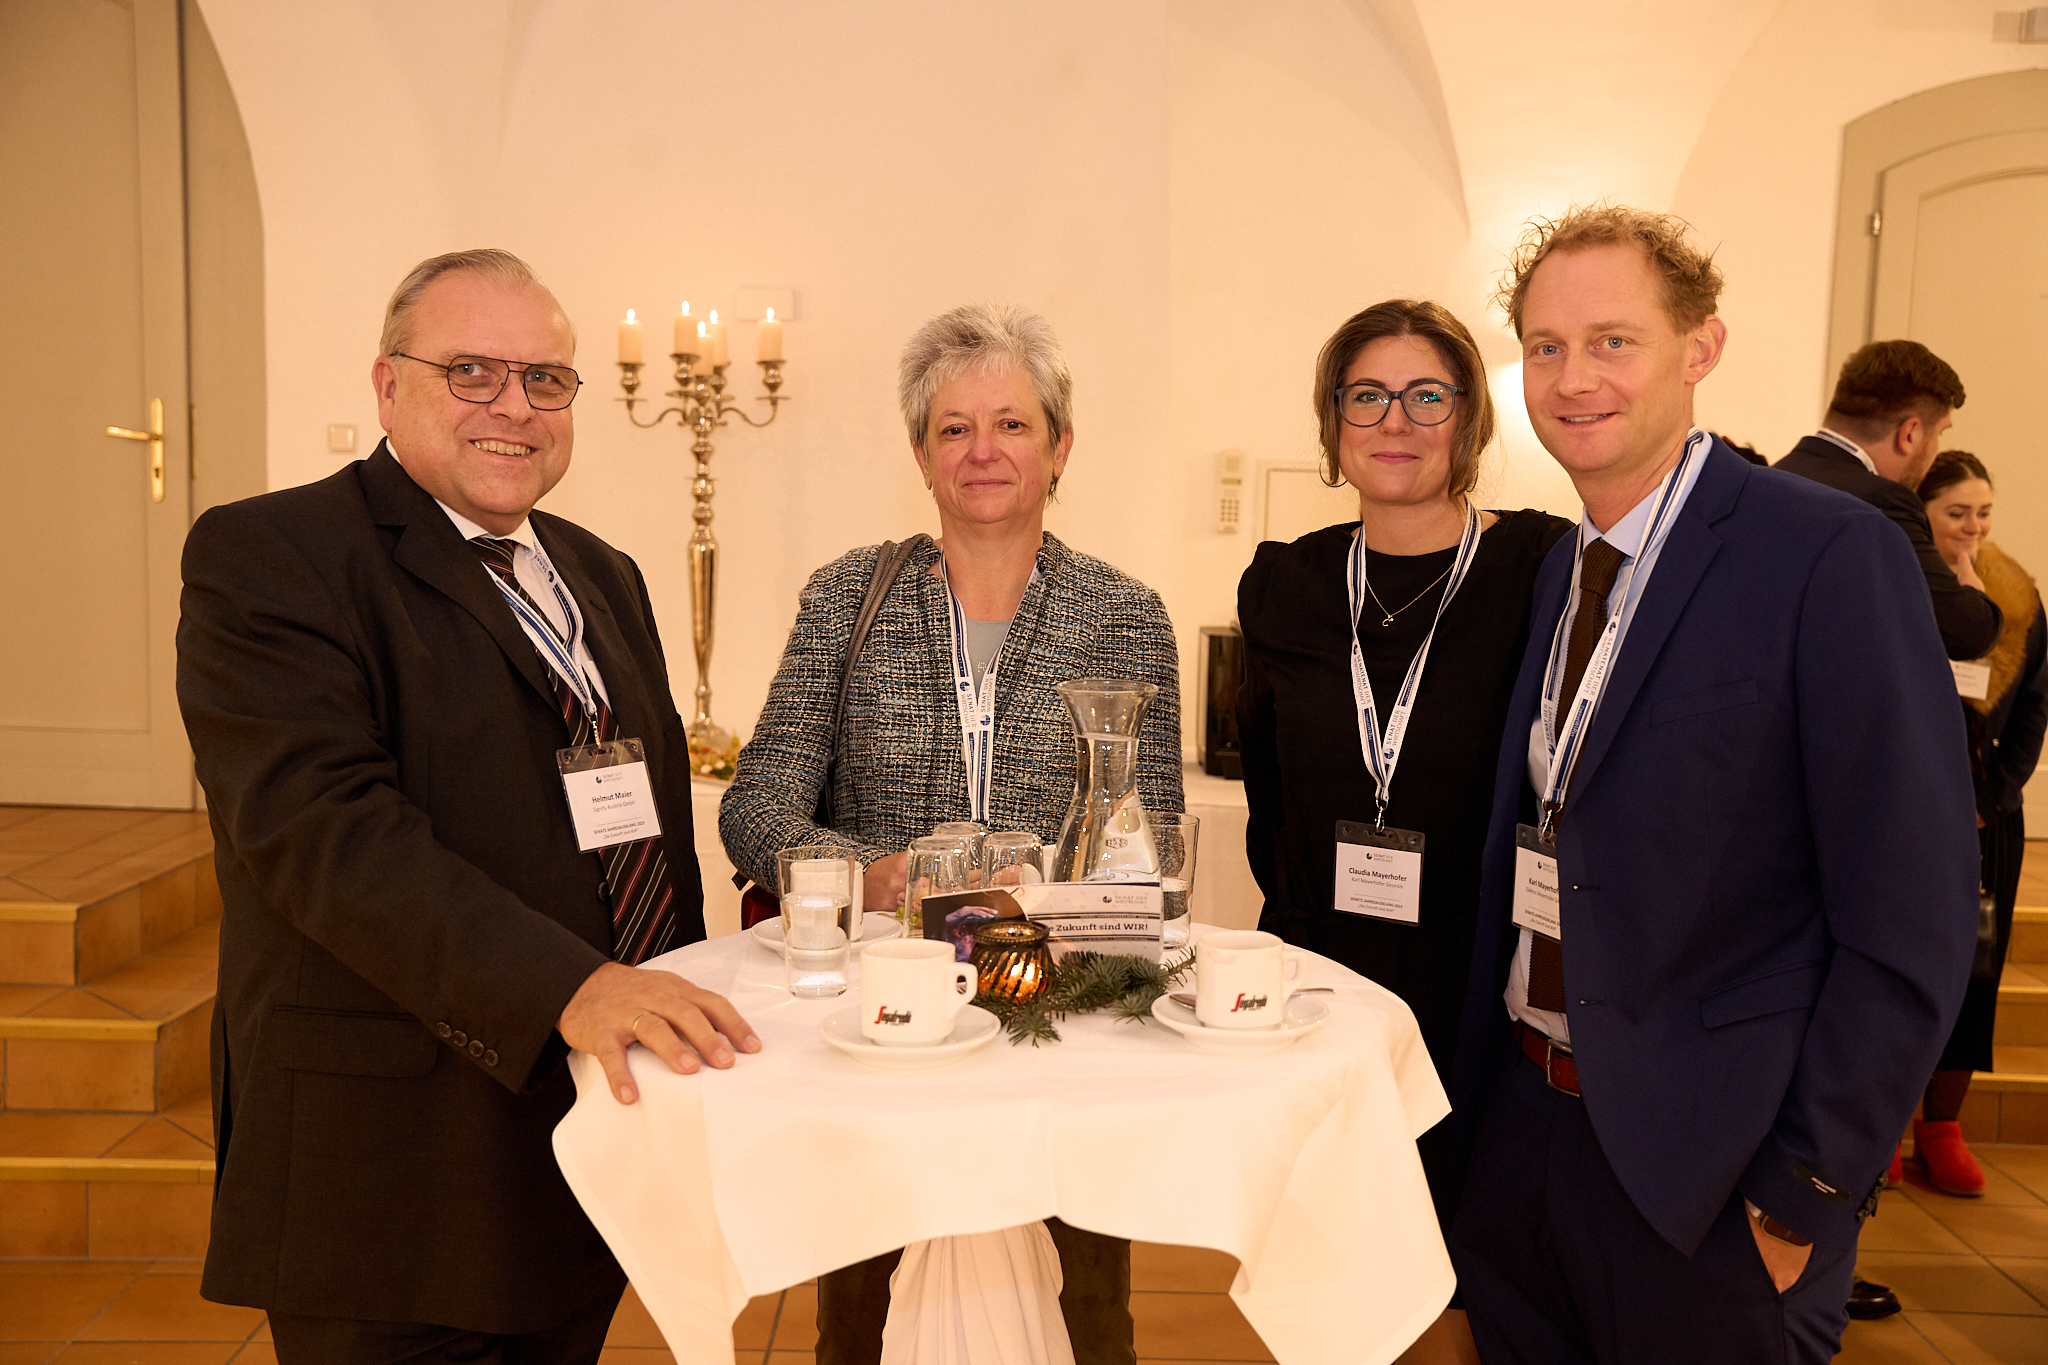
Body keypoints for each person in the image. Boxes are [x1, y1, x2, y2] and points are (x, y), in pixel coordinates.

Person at [177, 249, 759, 1364]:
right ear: (387, 384)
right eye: (472, 371)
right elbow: (329, 838)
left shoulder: (600, 571)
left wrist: (681, 991)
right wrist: (572, 986)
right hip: (398, 1167)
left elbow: (637, 817)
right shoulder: (275, 554)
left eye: (545, 379)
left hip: (577, 1140)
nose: (514, 406)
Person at [1446, 206, 1978, 1365]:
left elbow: (1915, 914)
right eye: (1544, 347)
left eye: (1612, 341)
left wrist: (1801, 1193)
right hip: (1527, 1132)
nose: (1572, 378)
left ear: (1700, 347)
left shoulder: (1823, 555)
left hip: (1709, 1176)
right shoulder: (1558, 568)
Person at [720, 303, 1180, 1365]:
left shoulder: (1124, 613)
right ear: (921, 457)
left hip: (1060, 1023)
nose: (983, 450)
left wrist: (1051, 894)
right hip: (883, 1029)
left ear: (1060, 446)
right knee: (864, 1322)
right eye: (954, 428)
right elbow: (755, 807)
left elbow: (1147, 838)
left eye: (1012, 424)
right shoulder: (848, 597)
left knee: (1080, 1319)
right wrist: (867, 874)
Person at [1236, 299, 1570, 1231]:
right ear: (1333, 420)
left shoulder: (1540, 566)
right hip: (1319, 981)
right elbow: (1271, 797)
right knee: (1325, 1245)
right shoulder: (1284, 585)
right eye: (1367, 396)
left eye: (1427, 396)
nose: (1395, 421)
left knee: (1462, 1250)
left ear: (1469, 418)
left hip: (1476, 990)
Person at [1910, 450, 2047, 1195]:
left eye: (1984, 512)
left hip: (1987, 817)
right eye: (1957, 511)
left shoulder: (2017, 594)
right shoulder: (1902, 586)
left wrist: (1991, 797)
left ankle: (1943, 1127)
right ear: (1923, 512)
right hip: (1907, 816)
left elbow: (2033, 711)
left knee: (1975, 971)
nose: (1973, 526)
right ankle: (1882, 1126)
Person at [1776, 339, 2000, 660]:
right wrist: (1973, 596)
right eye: (1939, 433)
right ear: (1910, 434)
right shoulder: (1882, 501)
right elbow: (1968, 631)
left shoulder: (1774, 474)